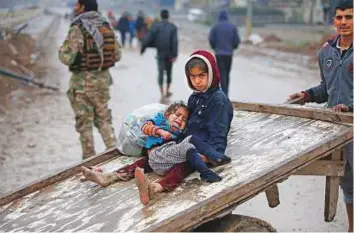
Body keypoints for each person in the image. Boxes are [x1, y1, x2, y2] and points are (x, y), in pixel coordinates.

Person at [81, 101, 230, 205]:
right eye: (176, 115)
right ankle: (109, 177)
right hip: (155, 157)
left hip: (170, 160)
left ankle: (155, 188)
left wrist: (202, 156)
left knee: (181, 167)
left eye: (184, 119)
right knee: (140, 163)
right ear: (167, 115)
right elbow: (145, 127)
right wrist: (159, 131)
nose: (179, 119)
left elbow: (190, 148)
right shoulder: (160, 122)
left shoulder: (180, 136)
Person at [287, 1, 353, 231]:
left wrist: (349, 107)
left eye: (349, 17)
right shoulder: (326, 52)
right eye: (340, 17)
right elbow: (327, 88)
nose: (344, 22)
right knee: (347, 181)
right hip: (337, 129)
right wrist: (305, 95)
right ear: (333, 20)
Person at [59, 0, 121, 159]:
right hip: (102, 84)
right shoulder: (106, 26)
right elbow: (118, 54)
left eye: (76, 5)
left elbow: (67, 57)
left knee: (84, 125)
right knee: (104, 120)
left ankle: (88, 162)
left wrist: (62, 50)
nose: (74, 8)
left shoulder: (78, 28)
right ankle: (115, 155)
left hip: (82, 85)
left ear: (83, 7)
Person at [141, 9, 178, 101]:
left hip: (160, 53)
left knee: (160, 73)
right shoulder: (172, 27)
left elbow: (148, 38)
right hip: (169, 54)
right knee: (169, 73)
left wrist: (143, 49)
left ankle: (162, 94)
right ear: (168, 16)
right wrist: (175, 55)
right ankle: (167, 91)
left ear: (161, 16)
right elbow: (175, 42)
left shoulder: (155, 26)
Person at [208, 10, 240, 97]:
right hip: (229, 54)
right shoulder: (232, 27)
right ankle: (226, 92)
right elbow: (236, 40)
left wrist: (215, 47)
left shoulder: (215, 27)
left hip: (219, 54)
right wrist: (232, 48)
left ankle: (223, 92)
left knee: (221, 73)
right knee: (227, 73)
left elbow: (211, 39)